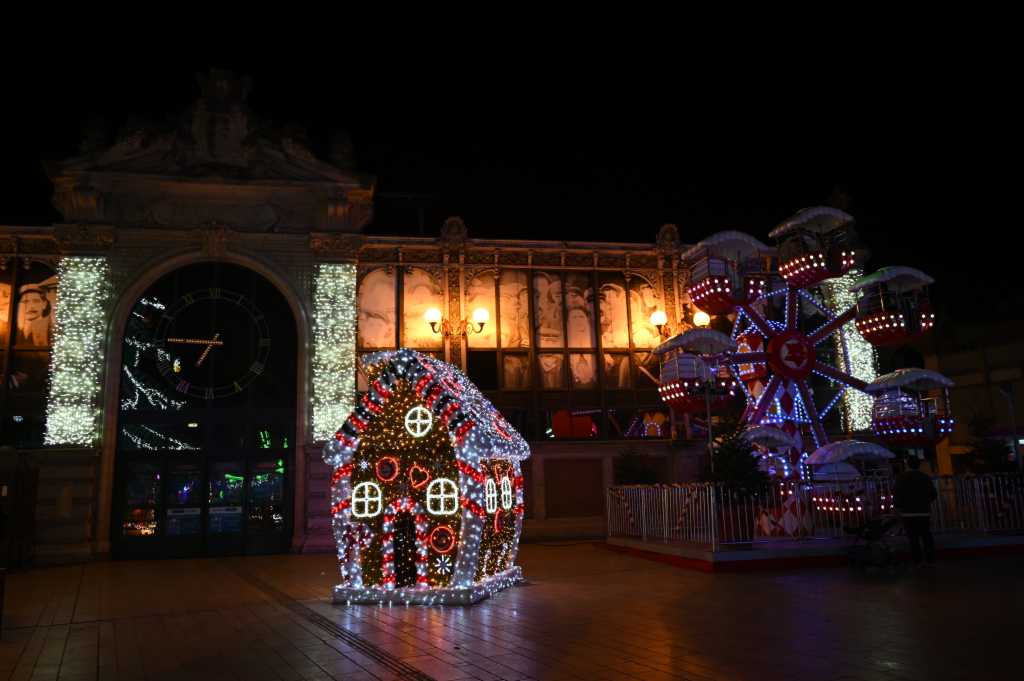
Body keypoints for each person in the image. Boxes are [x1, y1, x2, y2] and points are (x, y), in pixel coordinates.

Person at [894, 456, 937, 566]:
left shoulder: (901, 478)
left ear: (907, 465)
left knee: (913, 538)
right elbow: (933, 494)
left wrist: (899, 507)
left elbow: (897, 495)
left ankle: (917, 560)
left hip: (908, 512)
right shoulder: (925, 478)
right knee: (926, 535)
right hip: (923, 511)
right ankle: (930, 559)